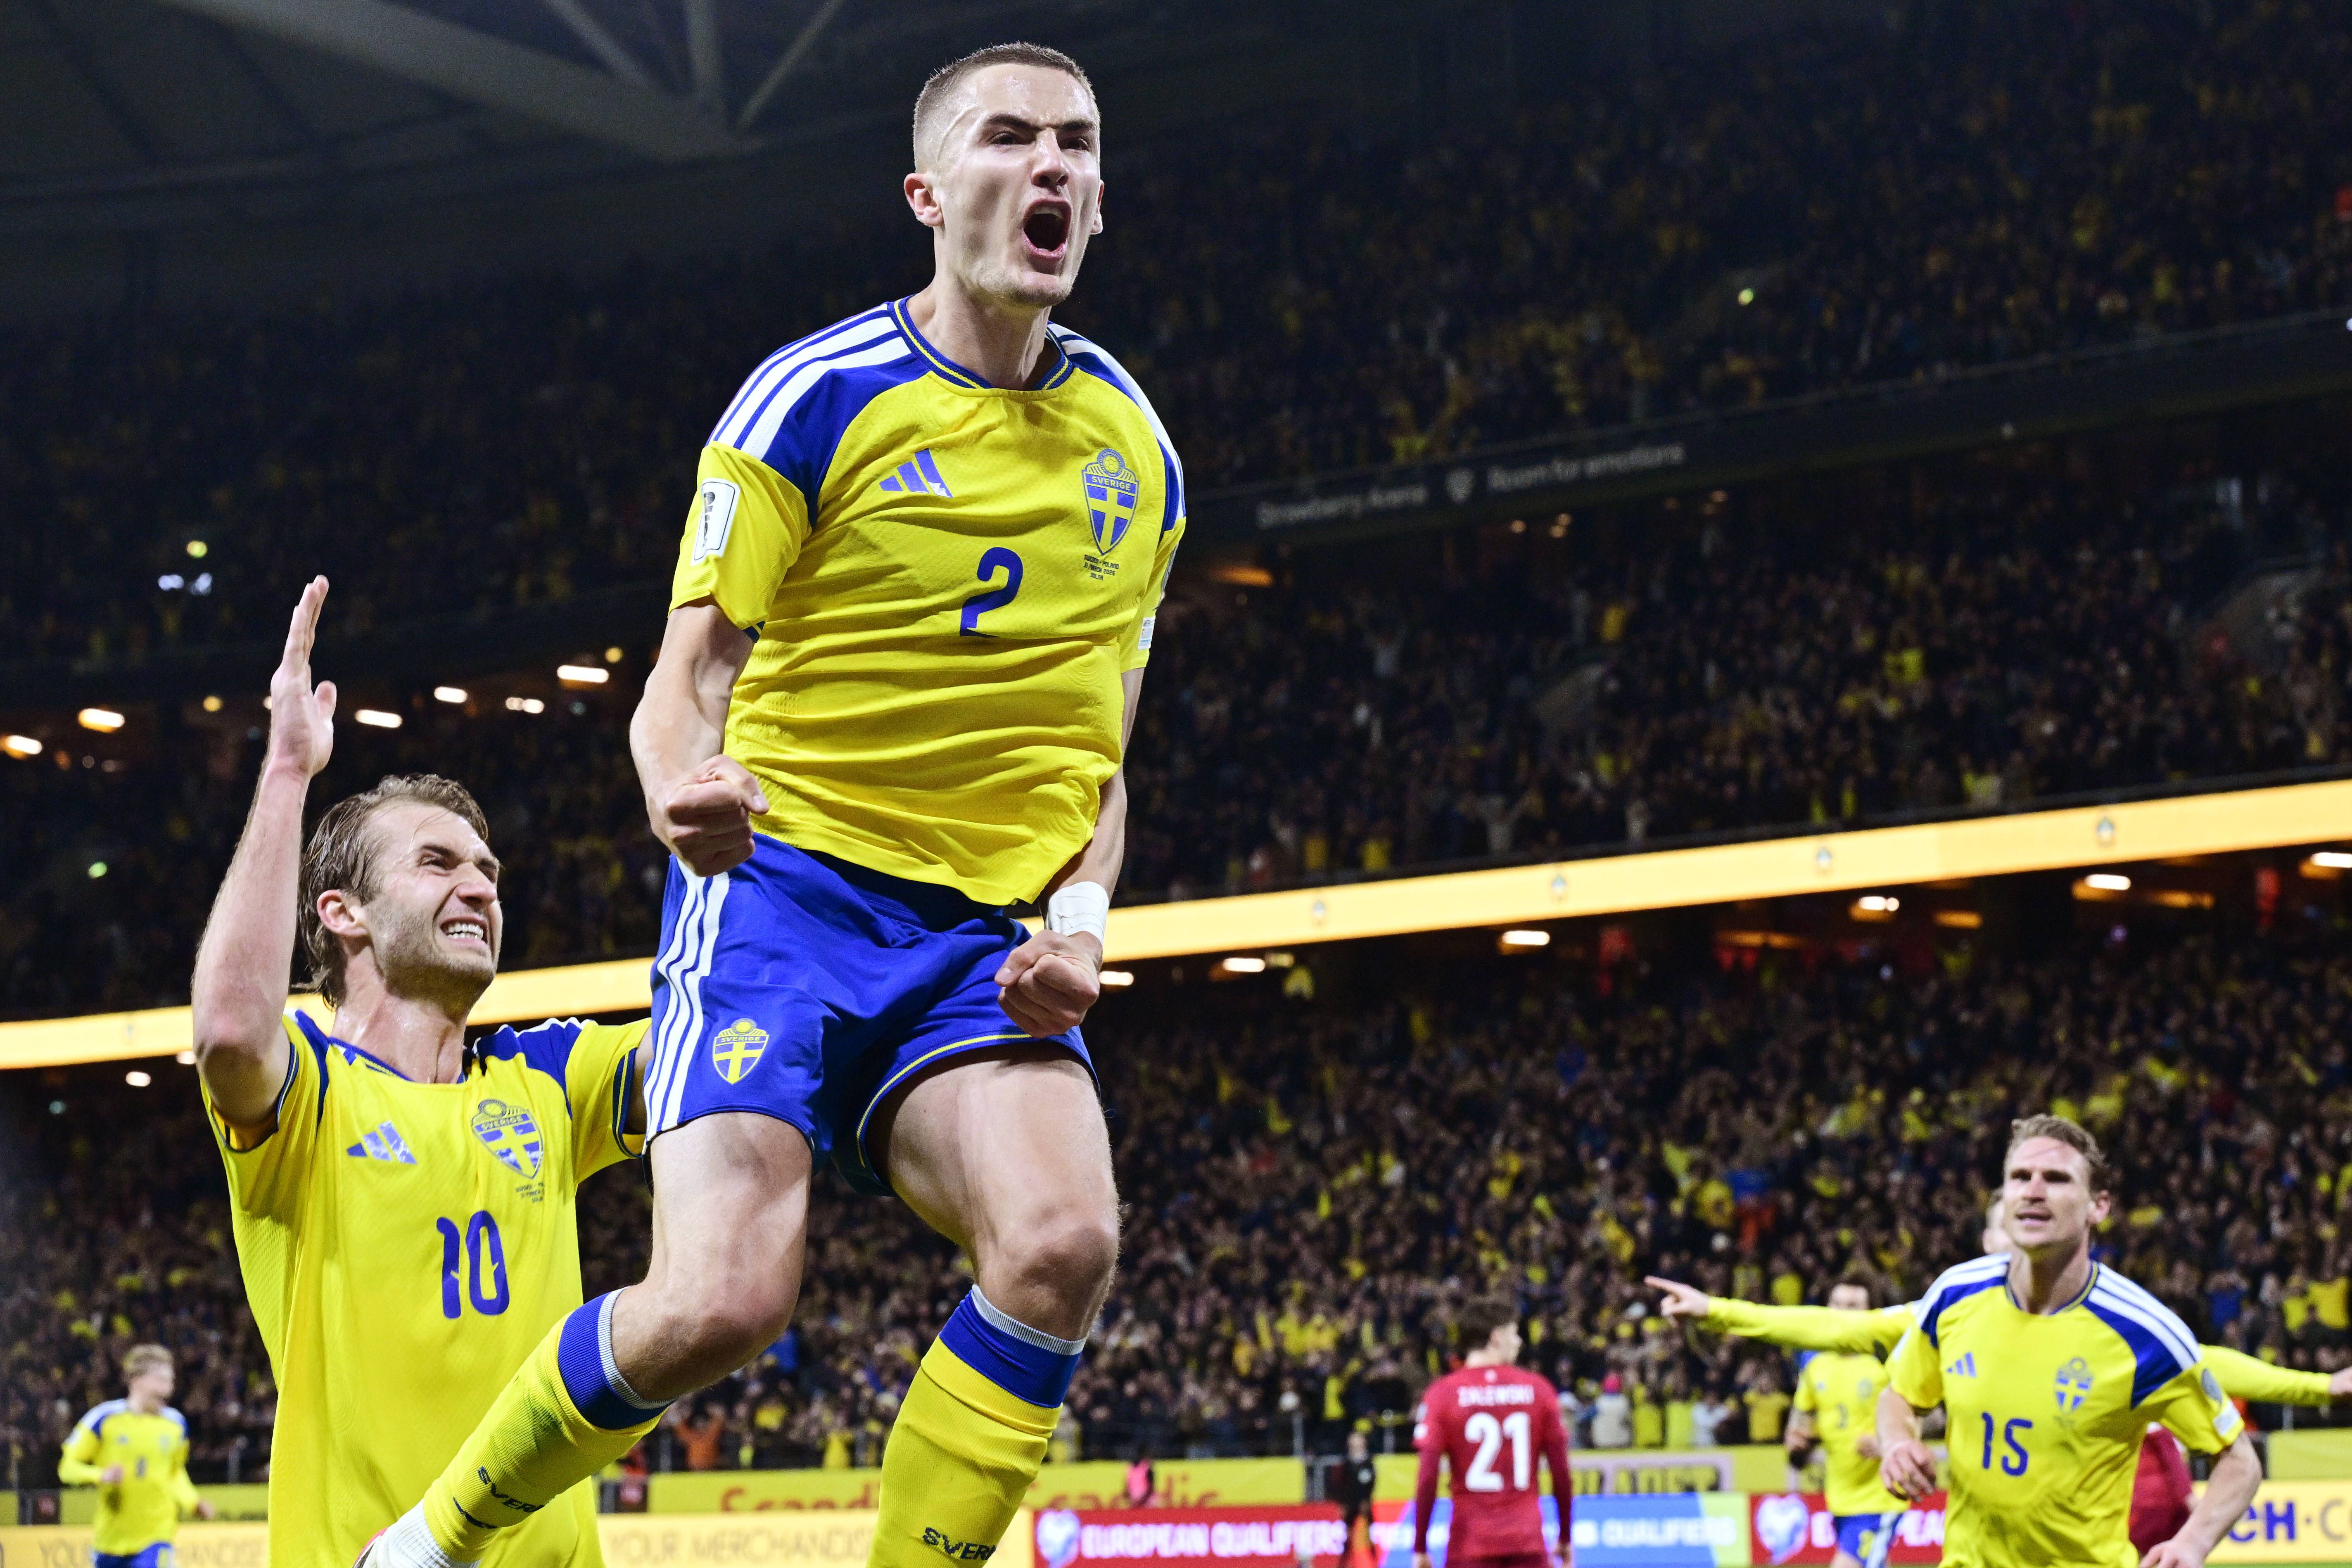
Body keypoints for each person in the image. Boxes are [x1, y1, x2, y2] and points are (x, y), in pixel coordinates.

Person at [380, 39, 1183, 1568]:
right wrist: (684, 793)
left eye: (1078, 144)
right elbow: (680, 684)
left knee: (1064, 1240)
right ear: (927, 192)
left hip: (977, 945)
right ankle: (432, 1540)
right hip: (783, 899)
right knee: (720, 1304)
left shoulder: (1133, 452)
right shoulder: (812, 399)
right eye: (1011, 139)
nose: (1055, 170)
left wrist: (1078, 921)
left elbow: (1100, 758)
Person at [190, 579, 647, 1568]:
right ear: (341, 912)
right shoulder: (308, 1086)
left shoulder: (549, 1075)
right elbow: (229, 1030)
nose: (480, 885)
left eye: (488, 870)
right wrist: (284, 770)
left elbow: (713, 1054)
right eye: (439, 863)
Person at [1876, 1115, 2260, 1568]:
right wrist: (1896, 1443)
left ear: (2098, 1206)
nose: (2033, 1190)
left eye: (2056, 1178)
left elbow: (2240, 1462)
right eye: (2020, 1176)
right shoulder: (1954, 1295)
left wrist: (2192, 1543)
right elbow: (1900, 1394)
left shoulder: (2145, 1334)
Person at [1411, 1296, 1572, 1568]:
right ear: (1496, 1337)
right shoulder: (1538, 1389)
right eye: (1514, 1333)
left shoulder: (1442, 1394)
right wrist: (1565, 1536)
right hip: (1526, 1542)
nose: (1519, 1341)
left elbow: (1427, 1476)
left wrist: (1420, 1546)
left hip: (1469, 1544)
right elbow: (1561, 1473)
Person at [1780, 1281, 1908, 1568]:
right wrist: (1797, 1443)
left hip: (1880, 1497)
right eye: (1837, 1304)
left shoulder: (1887, 1359)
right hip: (1840, 1497)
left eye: (1852, 1306)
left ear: (1869, 1313)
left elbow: (1927, 1414)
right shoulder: (1814, 1362)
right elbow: (1799, 1424)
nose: (1842, 1312)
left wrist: (1890, 1441)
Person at [57, 1344, 214, 1568]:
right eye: (160, 1381)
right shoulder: (104, 1419)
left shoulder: (176, 1425)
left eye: (170, 1382)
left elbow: (174, 1473)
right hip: (110, 1541)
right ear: (137, 1381)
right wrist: (101, 1476)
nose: (168, 1389)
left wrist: (192, 1502)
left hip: (157, 1536)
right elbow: (67, 1468)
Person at [1328, 1428, 1379, 1568]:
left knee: (1368, 1536)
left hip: (1365, 1505)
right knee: (1348, 1537)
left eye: (1359, 1439)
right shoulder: (1346, 1463)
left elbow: (1372, 1482)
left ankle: (1375, 1563)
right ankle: (1344, 1564)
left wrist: (1367, 1500)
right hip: (1350, 1504)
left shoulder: (1369, 1462)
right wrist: (1343, 1504)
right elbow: (1339, 1485)